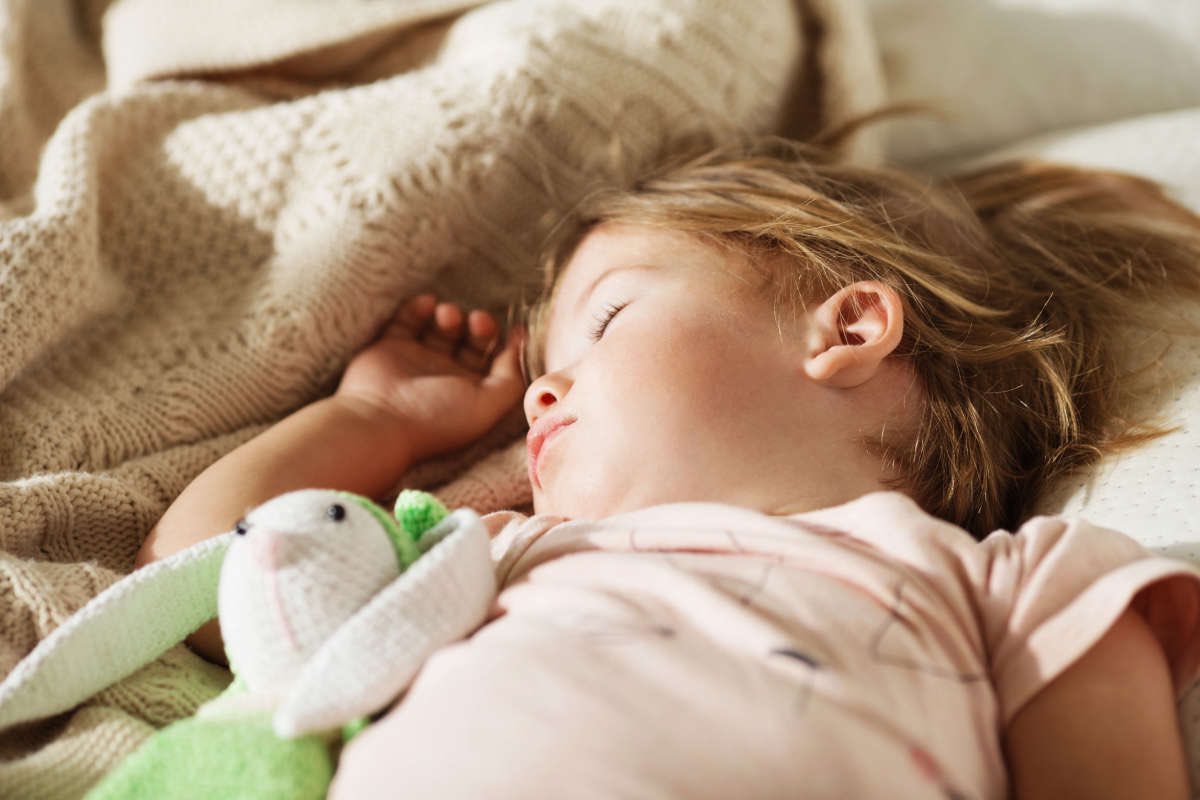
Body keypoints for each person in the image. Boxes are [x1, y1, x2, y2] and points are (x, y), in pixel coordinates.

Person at [139, 137, 1200, 798]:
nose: (536, 394)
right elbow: (202, 587)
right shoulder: (491, 555)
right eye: (544, 371)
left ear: (849, 326)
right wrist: (371, 417)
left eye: (606, 321)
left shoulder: (1016, 587)